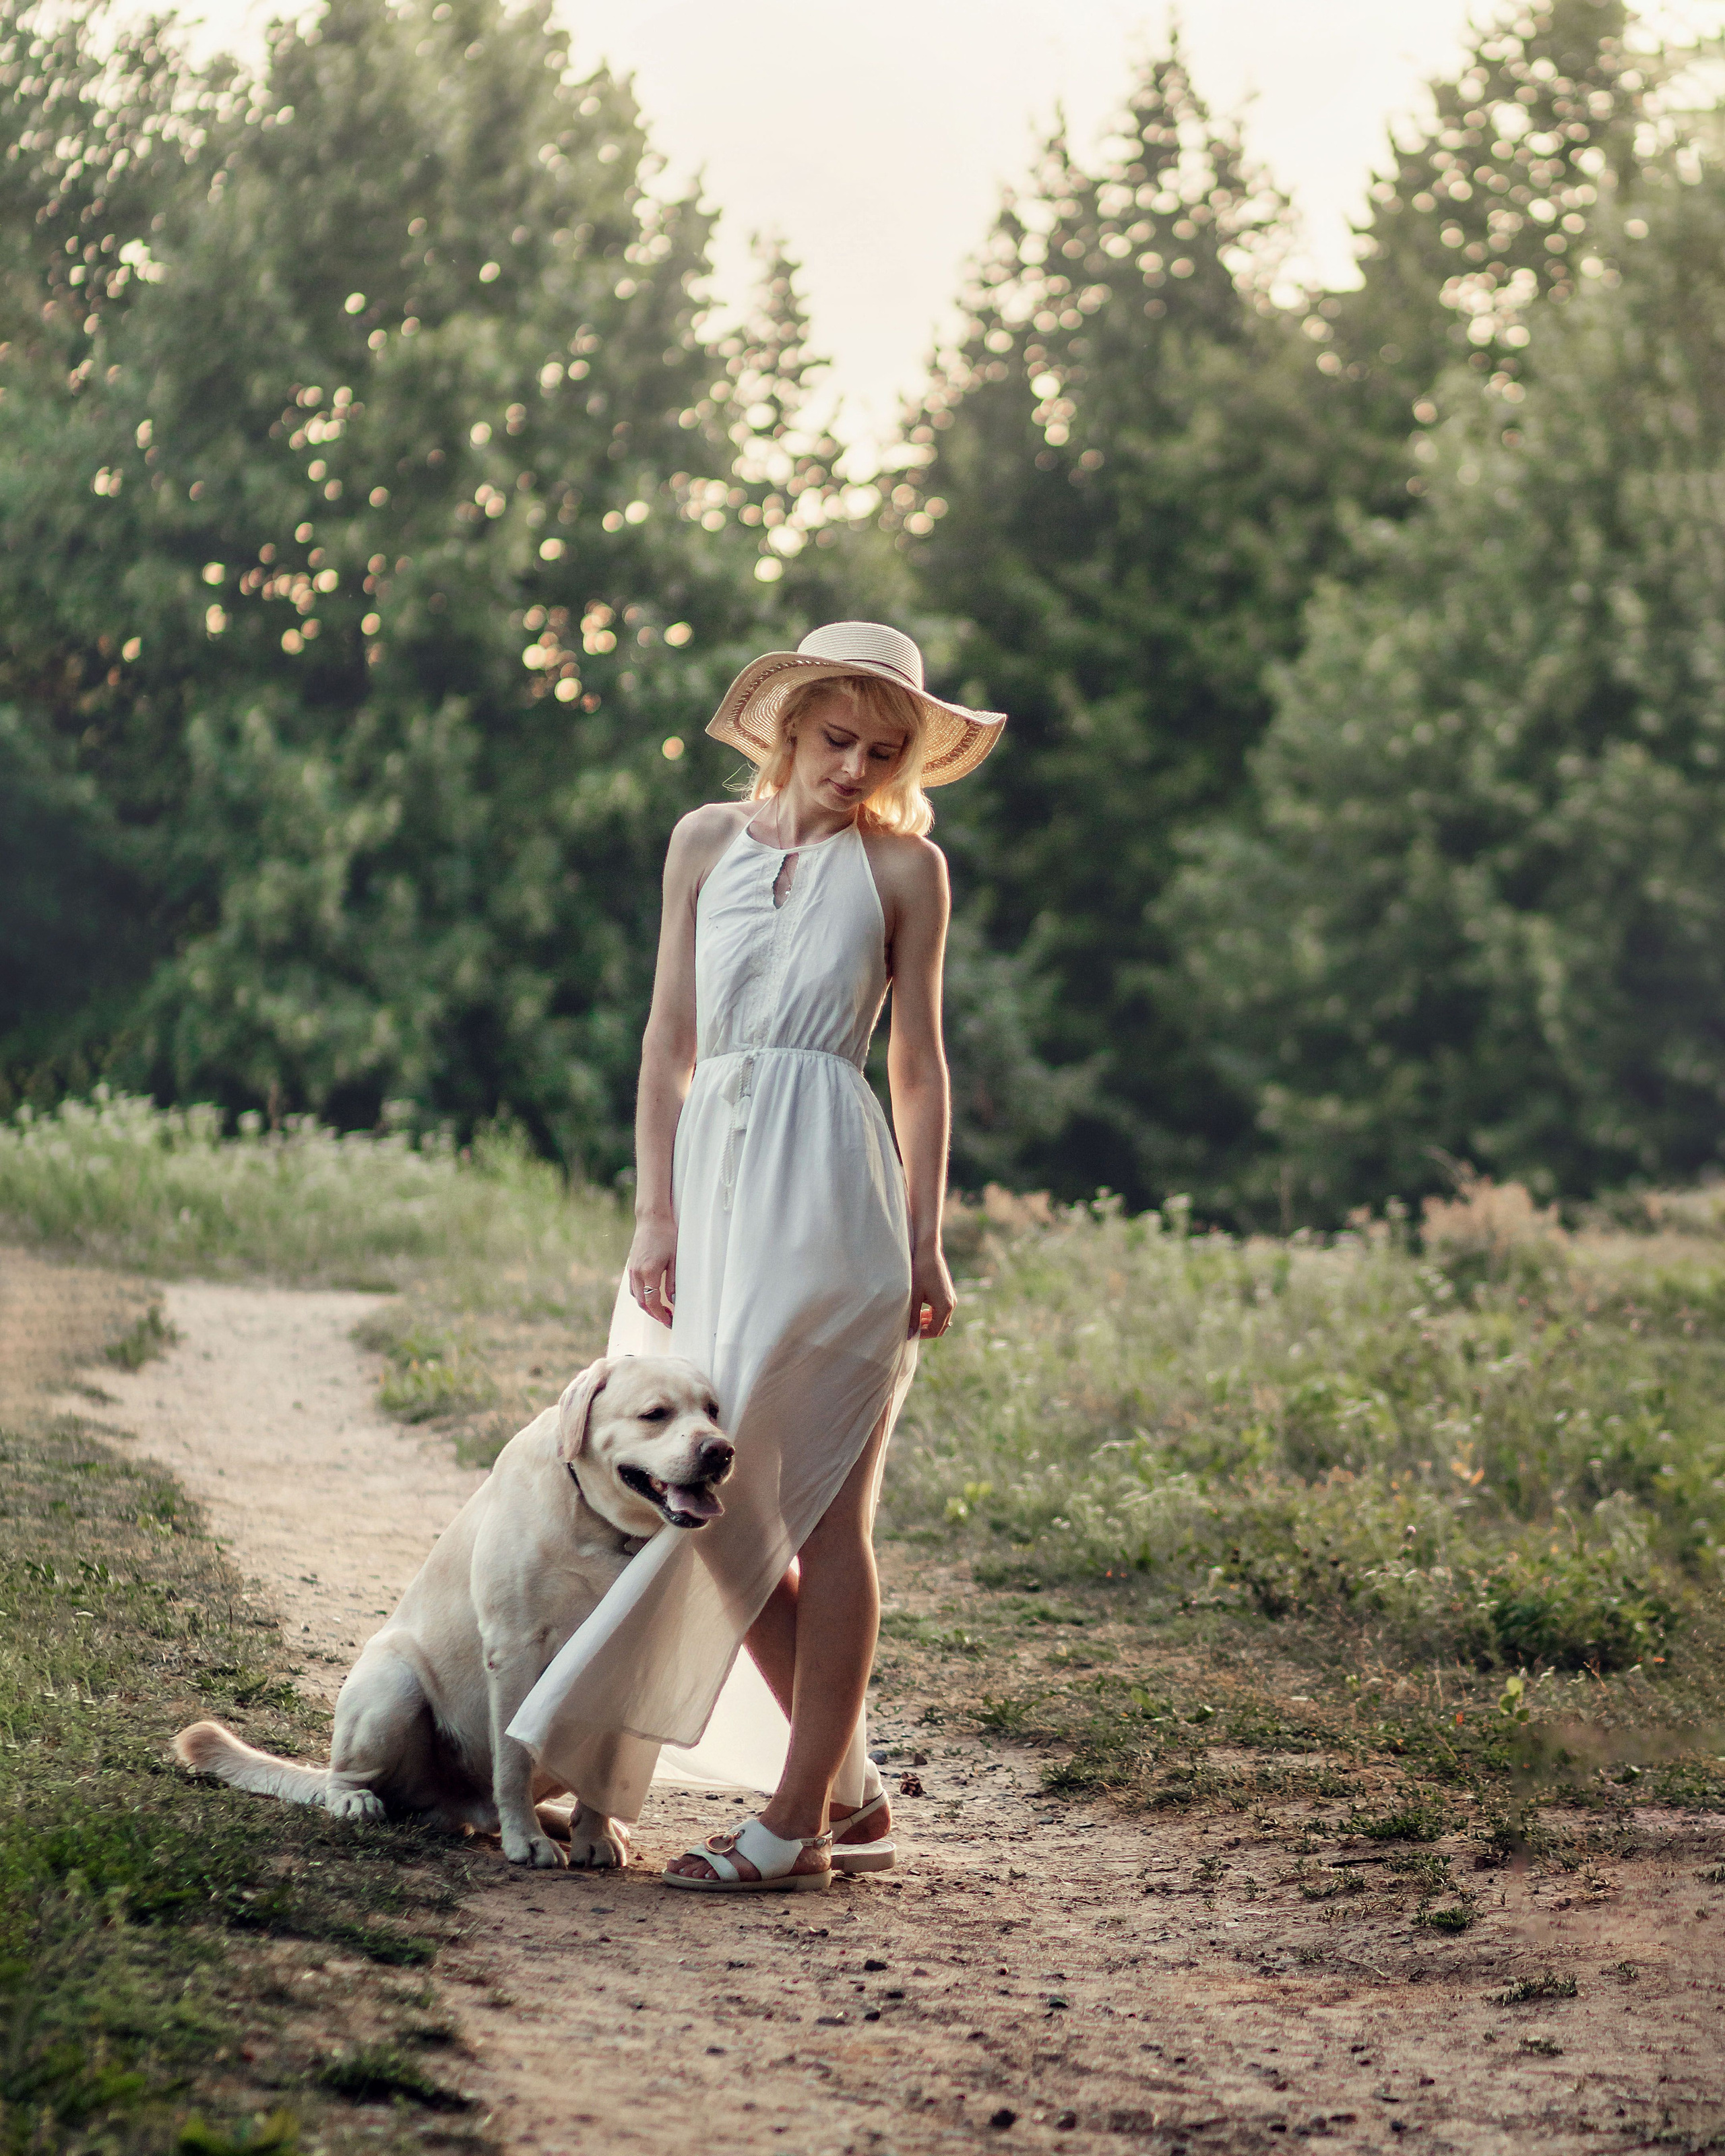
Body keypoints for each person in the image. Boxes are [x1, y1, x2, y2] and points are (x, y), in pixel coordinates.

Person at [508, 620, 1005, 1892]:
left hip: (836, 1201)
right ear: (786, 728)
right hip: (711, 1200)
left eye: (883, 749)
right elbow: (667, 1040)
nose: (856, 766)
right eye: (837, 739)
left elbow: (920, 1067)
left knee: (828, 1516)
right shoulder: (698, 844)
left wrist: (928, 1242)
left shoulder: (907, 871)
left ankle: (793, 1832)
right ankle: (848, 1789)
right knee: (715, 1510)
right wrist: (652, 1212)